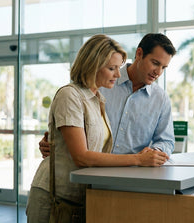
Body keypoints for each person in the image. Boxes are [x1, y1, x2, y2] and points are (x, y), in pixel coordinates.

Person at [27, 34, 169, 223]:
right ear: (93, 64)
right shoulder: (73, 94)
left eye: (164, 67)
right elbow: (81, 155)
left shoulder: (98, 99)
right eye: (112, 68)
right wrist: (138, 159)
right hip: (57, 195)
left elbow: (91, 140)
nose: (117, 74)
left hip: (89, 193)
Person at [39, 33, 176, 158]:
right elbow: (70, 118)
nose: (158, 72)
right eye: (155, 63)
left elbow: (166, 141)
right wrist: (55, 140)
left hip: (133, 176)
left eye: (164, 67)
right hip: (90, 174)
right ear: (139, 54)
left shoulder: (161, 99)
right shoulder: (100, 83)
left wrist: (155, 151)